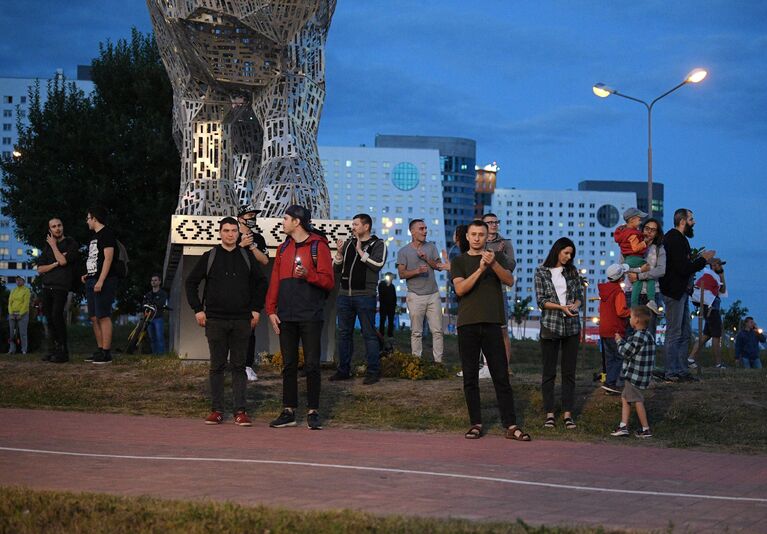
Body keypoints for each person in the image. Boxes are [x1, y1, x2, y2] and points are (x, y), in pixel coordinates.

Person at [451, 220, 530, 441]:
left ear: (488, 237)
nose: (477, 238)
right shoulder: (459, 261)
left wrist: (493, 264)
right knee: (470, 377)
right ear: (467, 237)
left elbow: (509, 280)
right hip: (467, 323)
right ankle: (475, 423)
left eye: (481, 234)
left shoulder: (497, 256)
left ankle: (511, 424)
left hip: (493, 322)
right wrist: (480, 269)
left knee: (501, 375)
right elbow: (460, 289)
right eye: (473, 234)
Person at [186, 216, 267, 426]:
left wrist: (256, 310)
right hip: (215, 321)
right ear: (220, 233)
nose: (230, 234)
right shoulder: (210, 256)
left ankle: (240, 411)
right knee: (217, 366)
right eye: (226, 230)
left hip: (242, 321)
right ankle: (217, 410)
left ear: (238, 233)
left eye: (234, 231)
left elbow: (261, 283)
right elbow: (190, 282)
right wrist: (198, 310)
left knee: (239, 367)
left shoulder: (247, 257)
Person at [266, 205, 334, 430]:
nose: (282, 222)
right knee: (289, 364)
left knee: (313, 364)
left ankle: (313, 411)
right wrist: (271, 310)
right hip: (286, 314)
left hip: (310, 314)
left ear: (297, 221)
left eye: (285, 218)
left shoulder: (318, 245)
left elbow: (328, 282)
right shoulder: (283, 248)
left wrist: (309, 275)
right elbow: (275, 280)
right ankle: (289, 410)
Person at [659, 208, 715, 382]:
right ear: (682, 221)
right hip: (674, 293)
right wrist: (702, 260)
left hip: (680, 292)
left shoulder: (679, 239)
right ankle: (671, 372)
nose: (694, 222)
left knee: (684, 332)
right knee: (675, 333)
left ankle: (681, 370)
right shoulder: (674, 239)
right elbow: (683, 268)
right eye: (691, 219)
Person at [331, 213, 387, 384]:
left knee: (369, 334)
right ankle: (343, 370)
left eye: (356, 224)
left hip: (365, 296)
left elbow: (377, 265)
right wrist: (339, 254)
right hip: (344, 296)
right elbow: (336, 269)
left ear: (366, 226)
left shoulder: (378, 244)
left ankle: (373, 371)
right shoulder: (348, 244)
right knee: (344, 334)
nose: (353, 227)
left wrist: (361, 252)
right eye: (353, 224)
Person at [534, 237, 582, 429]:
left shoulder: (572, 272)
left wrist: (574, 306)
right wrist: (561, 307)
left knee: (569, 372)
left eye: (571, 254)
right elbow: (541, 301)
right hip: (551, 325)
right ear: (557, 251)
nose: (568, 257)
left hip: (571, 326)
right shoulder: (541, 272)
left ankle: (568, 413)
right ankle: (550, 413)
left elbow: (579, 297)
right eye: (566, 253)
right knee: (549, 372)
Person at [396, 219, 445, 363]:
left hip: (433, 294)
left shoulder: (431, 247)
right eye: (421, 229)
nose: (425, 231)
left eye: (425, 228)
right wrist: (417, 271)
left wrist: (426, 258)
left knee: (437, 331)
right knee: (416, 332)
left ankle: (438, 363)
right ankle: (416, 362)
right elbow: (402, 274)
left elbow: (438, 266)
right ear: (412, 231)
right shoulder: (403, 251)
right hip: (415, 296)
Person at [37, 218, 79, 363]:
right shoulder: (47, 247)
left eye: (59, 225)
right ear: (50, 229)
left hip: (61, 286)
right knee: (49, 319)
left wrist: (54, 247)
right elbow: (40, 269)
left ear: (63, 226)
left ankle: (63, 352)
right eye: (53, 226)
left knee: (57, 316)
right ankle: (54, 350)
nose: (57, 228)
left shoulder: (70, 243)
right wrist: (54, 264)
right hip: (46, 287)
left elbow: (64, 261)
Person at [610, 305, 656, 439]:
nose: (629, 319)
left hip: (634, 375)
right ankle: (623, 426)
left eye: (630, 317)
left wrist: (619, 341)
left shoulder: (638, 337)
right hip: (641, 374)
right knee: (625, 398)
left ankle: (645, 428)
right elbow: (633, 349)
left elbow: (626, 351)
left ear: (636, 320)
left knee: (637, 400)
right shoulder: (647, 335)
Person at [237, 204, 270, 382]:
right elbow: (226, 258)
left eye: (253, 215)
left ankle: (247, 366)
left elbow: (265, 260)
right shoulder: (231, 235)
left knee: (250, 328)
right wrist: (241, 244)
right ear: (240, 217)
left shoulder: (258, 238)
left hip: (252, 290)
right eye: (249, 215)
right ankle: (234, 365)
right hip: (234, 289)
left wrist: (252, 247)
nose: (252, 218)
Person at [83, 207, 120, 365]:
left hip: (104, 280)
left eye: (88, 218)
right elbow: (95, 259)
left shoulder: (107, 234)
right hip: (92, 279)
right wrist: (89, 274)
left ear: (94, 218)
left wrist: (100, 280)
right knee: (94, 317)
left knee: (103, 316)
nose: (87, 221)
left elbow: (108, 259)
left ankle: (106, 353)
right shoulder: (93, 237)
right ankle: (100, 350)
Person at [482, 213, 517, 365]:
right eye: (490, 222)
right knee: (482, 329)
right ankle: (484, 365)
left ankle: (506, 366)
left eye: (496, 222)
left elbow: (511, 266)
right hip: (481, 289)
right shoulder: (479, 241)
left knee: (502, 330)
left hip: (499, 289)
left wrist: (501, 254)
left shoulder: (505, 243)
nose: (494, 225)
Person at [624, 218, 665, 336]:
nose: (649, 232)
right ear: (642, 229)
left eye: (653, 230)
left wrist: (639, 276)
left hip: (651, 294)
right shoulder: (631, 245)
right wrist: (636, 272)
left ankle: (647, 354)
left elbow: (661, 270)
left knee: (649, 332)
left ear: (657, 233)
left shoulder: (659, 249)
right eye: (647, 228)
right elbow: (623, 266)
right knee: (630, 330)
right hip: (631, 292)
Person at [614, 208, 659, 314]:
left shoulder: (624, 233)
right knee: (650, 275)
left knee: (637, 282)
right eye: (639, 220)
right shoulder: (632, 234)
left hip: (629, 259)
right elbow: (635, 248)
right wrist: (645, 242)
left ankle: (634, 305)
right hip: (635, 258)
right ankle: (651, 300)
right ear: (632, 220)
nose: (640, 222)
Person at [598, 263, 632, 394]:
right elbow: (621, 311)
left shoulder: (604, 291)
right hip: (615, 329)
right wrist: (631, 312)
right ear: (621, 277)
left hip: (604, 329)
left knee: (609, 357)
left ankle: (609, 385)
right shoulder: (618, 292)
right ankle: (610, 383)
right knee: (618, 356)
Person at [688, 258, 727, 369]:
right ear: (714, 266)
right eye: (719, 265)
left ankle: (690, 359)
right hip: (711, 309)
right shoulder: (709, 278)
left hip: (711, 308)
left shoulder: (715, 278)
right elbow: (722, 290)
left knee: (706, 335)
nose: (721, 267)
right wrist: (721, 275)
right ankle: (718, 363)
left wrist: (722, 274)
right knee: (716, 336)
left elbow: (723, 290)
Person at [143, 274, 169, 355]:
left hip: (158, 318)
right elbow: (144, 304)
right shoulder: (148, 294)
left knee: (159, 337)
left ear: (159, 282)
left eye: (155, 280)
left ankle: (161, 356)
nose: (153, 282)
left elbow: (161, 303)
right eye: (152, 280)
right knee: (152, 338)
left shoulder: (163, 293)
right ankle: (155, 355)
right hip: (149, 319)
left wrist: (151, 304)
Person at [7, 276, 31, 354]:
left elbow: (26, 303)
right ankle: (12, 350)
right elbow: (10, 302)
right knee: (11, 333)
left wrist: (21, 314)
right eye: (17, 280)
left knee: (22, 333)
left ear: (23, 281)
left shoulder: (26, 290)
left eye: (20, 280)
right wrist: (11, 313)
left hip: (23, 314)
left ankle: (24, 350)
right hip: (12, 314)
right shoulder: (13, 290)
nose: (18, 281)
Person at [378, 272, 397, 339]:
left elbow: (394, 297)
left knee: (391, 321)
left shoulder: (392, 286)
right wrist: (387, 285)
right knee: (382, 320)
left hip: (391, 307)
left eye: (392, 277)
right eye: (390, 276)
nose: (391, 278)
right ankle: (381, 334)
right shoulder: (382, 284)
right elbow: (381, 294)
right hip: (383, 306)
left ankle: (390, 334)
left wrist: (394, 305)